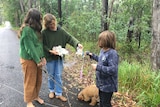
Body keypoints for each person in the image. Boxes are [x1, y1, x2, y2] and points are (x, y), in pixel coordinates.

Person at [42, 13, 83, 102]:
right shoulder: (44, 33)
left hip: (59, 58)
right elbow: (42, 45)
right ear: (46, 25)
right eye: (50, 25)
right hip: (50, 58)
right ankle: (51, 90)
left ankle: (59, 93)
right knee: (51, 75)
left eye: (53, 23)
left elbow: (70, 38)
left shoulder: (61, 31)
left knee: (58, 75)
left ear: (55, 22)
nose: (52, 26)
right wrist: (50, 51)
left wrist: (77, 44)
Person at [18, 8, 46, 107]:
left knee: (38, 79)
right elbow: (30, 47)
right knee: (30, 80)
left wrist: (42, 57)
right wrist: (37, 60)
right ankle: (29, 101)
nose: (41, 20)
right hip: (28, 59)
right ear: (34, 19)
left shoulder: (36, 30)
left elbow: (39, 45)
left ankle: (36, 96)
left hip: (37, 59)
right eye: (40, 18)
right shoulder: (27, 30)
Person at [86, 30, 119, 107]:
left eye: (101, 40)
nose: (99, 42)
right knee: (102, 102)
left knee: (106, 103)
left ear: (107, 41)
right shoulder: (102, 50)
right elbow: (101, 60)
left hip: (108, 85)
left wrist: (98, 67)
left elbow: (113, 69)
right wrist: (92, 55)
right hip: (101, 84)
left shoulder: (112, 53)